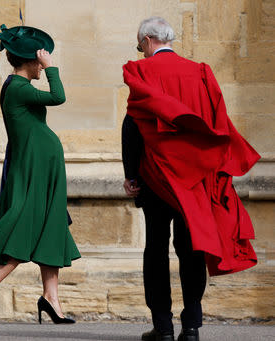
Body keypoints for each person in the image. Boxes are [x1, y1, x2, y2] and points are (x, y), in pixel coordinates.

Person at [121, 17, 260, 341]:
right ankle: (192, 327)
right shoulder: (200, 71)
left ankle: (164, 328)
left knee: (155, 248)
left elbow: (133, 125)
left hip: (156, 177)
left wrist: (131, 175)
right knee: (192, 247)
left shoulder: (142, 71)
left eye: (140, 45)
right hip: (196, 179)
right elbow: (217, 121)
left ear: (146, 40)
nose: (140, 51)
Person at [0, 24, 80, 324]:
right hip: (34, 167)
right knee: (26, 228)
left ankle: (51, 298)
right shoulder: (19, 87)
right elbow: (59, 96)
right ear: (30, 62)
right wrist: (53, 68)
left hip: (42, 165)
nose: (42, 65)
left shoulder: (19, 87)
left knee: (51, 226)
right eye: (39, 61)